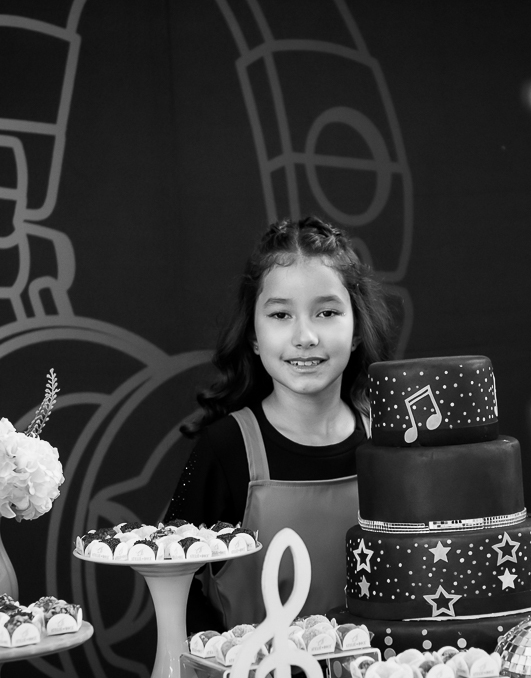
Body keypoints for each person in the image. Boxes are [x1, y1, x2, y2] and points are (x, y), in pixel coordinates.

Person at [167, 217, 395, 630]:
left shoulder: (390, 442)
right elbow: (171, 585)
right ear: (253, 335)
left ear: (358, 327)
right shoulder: (226, 449)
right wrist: (231, 660)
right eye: (280, 315)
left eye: (326, 312)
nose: (305, 336)